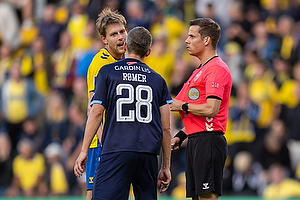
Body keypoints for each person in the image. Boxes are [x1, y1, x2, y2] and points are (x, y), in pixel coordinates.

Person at [74, 26, 172, 200]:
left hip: (116, 150)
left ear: (125, 46)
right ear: (148, 52)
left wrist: (83, 151)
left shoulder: (107, 72)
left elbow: (95, 113)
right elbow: (166, 129)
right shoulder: (159, 80)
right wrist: (166, 166)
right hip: (148, 155)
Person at [170, 18, 232, 200]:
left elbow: (211, 109)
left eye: (191, 36)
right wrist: (180, 136)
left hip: (209, 141)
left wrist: (182, 105)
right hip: (196, 141)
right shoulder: (198, 71)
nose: (186, 41)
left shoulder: (216, 69)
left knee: (207, 197)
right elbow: (192, 113)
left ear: (206, 40)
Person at [83, 7, 127, 200]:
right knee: (95, 194)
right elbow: (92, 107)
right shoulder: (100, 64)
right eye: (114, 34)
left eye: (122, 32)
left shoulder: (126, 59)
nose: (120, 37)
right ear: (104, 39)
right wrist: (103, 139)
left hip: (119, 140)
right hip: (101, 142)